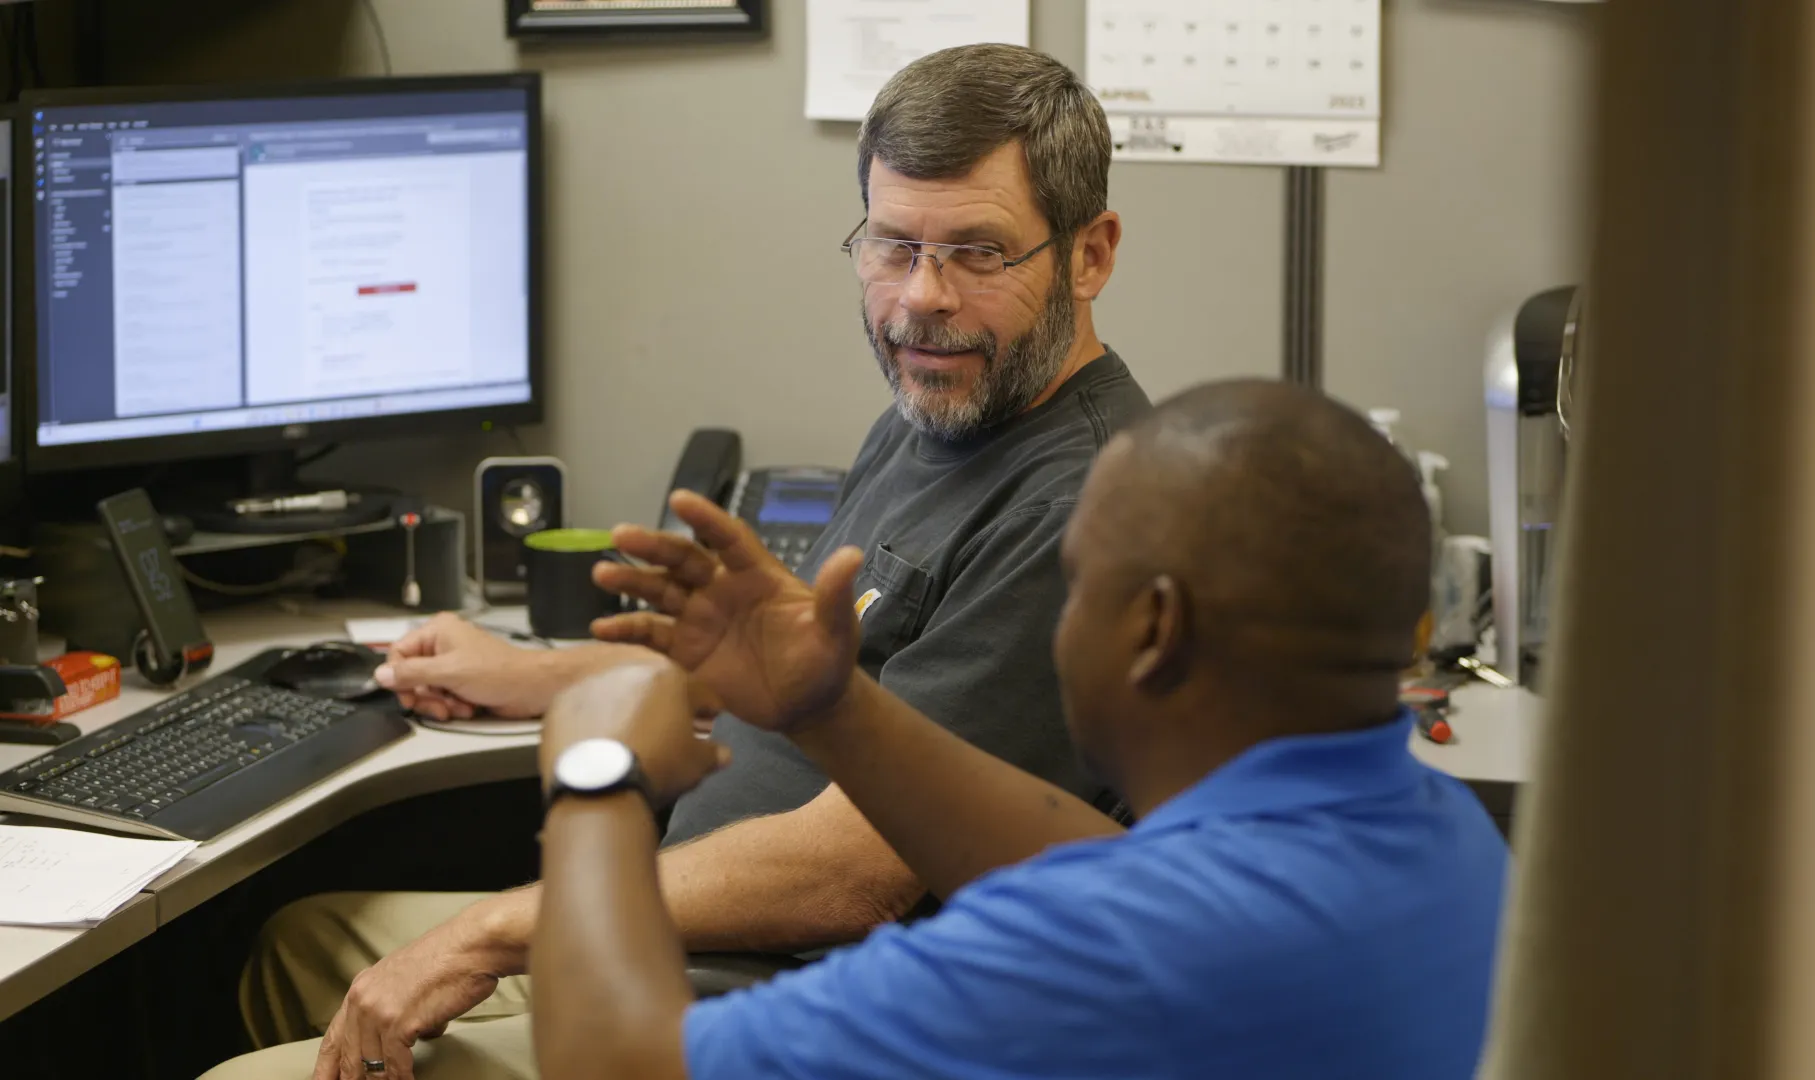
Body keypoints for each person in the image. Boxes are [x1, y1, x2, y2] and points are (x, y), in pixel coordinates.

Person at [204, 43, 1149, 1080]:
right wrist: (535, 673)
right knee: (298, 950)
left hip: (793, 1013)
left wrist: (488, 934)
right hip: (688, 943)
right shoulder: (942, 407)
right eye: (892, 245)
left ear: (1089, 254)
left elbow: (857, 876)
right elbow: (797, 672)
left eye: (978, 252)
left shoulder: (1077, 506)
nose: (921, 298)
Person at [528, 379, 1512, 1080]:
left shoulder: (1098, 953)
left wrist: (594, 770)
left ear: (1152, 629)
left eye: (1076, 582)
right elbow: (1109, 867)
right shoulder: (1452, 838)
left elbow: (613, 1061)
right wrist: (832, 708)